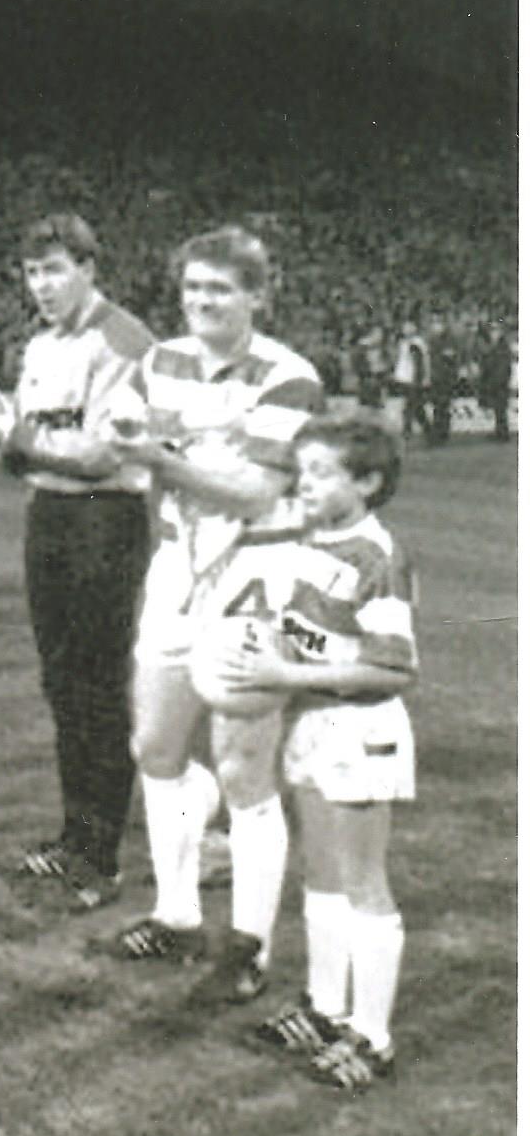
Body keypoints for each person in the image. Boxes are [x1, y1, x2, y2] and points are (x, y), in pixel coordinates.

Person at [99, 225, 323, 996]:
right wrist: (126, 436)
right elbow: (117, 426)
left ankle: (248, 948)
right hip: (177, 564)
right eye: (192, 287)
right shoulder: (158, 358)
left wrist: (160, 456)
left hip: (255, 572)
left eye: (219, 289)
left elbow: (257, 490)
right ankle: (175, 914)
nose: (200, 301)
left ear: (257, 296)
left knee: (241, 767)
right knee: (155, 745)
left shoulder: (288, 377)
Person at [0, 213, 153, 911]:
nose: (43, 284)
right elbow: (27, 448)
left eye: (55, 269)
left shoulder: (121, 339)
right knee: (60, 680)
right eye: (34, 272)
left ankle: (102, 855)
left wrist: (8, 431)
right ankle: (72, 835)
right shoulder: (37, 344)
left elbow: (100, 453)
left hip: (103, 516)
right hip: (51, 515)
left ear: (89, 268)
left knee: (96, 682)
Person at [221, 408, 418, 1091]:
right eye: (299, 470)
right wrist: (267, 652)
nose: (302, 484)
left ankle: (373, 1036)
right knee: (321, 876)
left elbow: (394, 668)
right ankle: (324, 1006)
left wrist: (285, 675)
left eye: (319, 472)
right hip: (311, 721)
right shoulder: (312, 540)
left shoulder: (376, 558)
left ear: (365, 481)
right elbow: (296, 626)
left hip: (360, 730)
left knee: (364, 883)